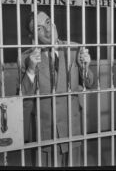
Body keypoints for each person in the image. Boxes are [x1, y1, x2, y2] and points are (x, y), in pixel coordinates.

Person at [17, 11, 94, 167]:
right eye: (38, 28)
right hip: (44, 132)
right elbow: (21, 99)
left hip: (72, 128)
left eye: (48, 22)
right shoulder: (25, 58)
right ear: (33, 36)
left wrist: (85, 67)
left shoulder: (74, 48)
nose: (47, 30)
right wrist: (31, 70)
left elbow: (89, 83)